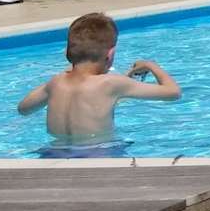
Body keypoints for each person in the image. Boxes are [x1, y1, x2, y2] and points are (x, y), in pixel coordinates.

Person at [17, 12, 179, 155]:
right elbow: (173, 92)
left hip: (54, 153)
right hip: (98, 154)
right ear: (111, 54)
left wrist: (64, 75)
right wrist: (150, 65)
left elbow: (23, 109)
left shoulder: (55, 83)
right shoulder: (111, 83)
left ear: (67, 53)